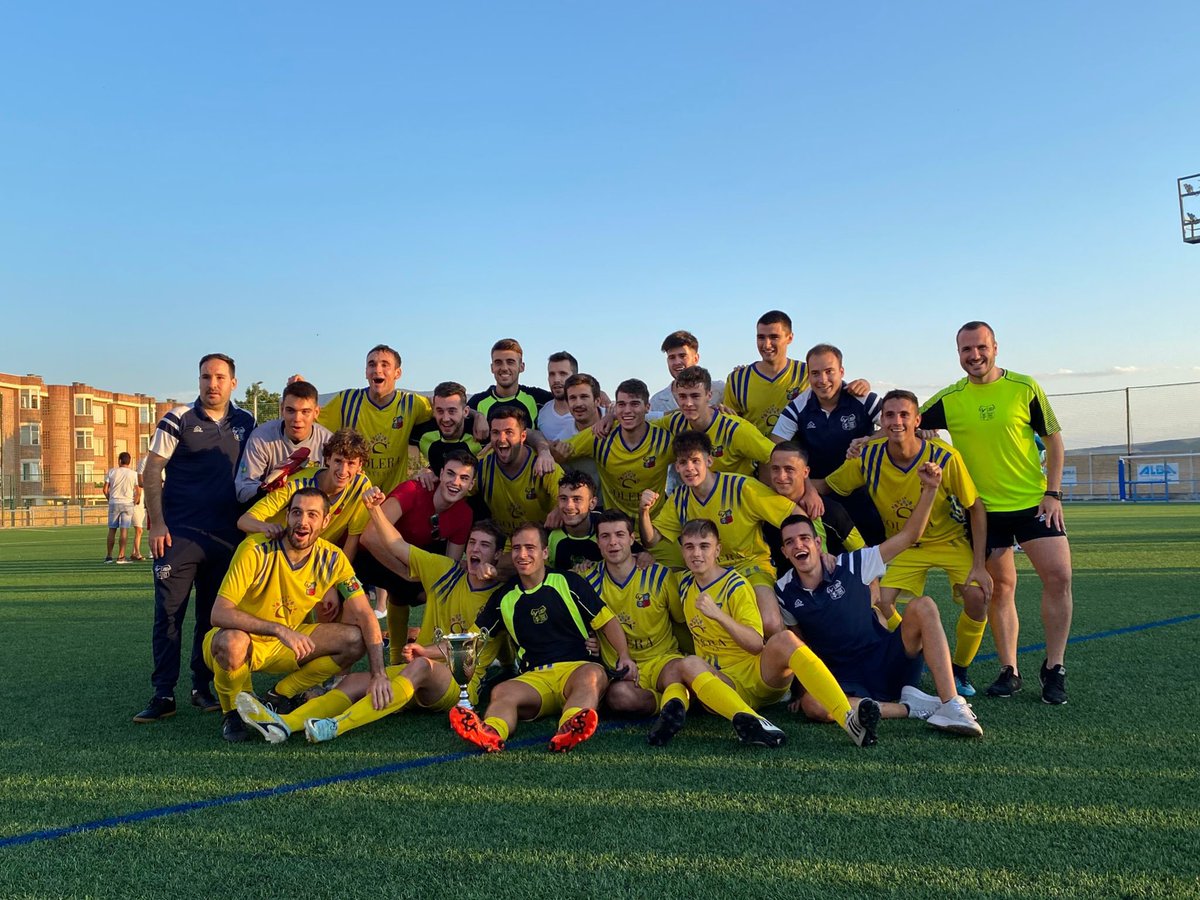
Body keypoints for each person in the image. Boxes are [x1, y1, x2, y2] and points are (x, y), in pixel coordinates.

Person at [235, 514, 507, 745]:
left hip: (453, 683)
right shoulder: (444, 570)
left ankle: (336, 726)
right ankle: (284, 724)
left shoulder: (499, 597)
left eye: (484, 546)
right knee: (354, 681)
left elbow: (465, 647)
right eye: (472, 542)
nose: (475, 550)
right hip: (414, 672)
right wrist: (375, 509)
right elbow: (395, 544)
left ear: (497, 555)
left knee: (422, 665)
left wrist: (424, 650)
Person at [920, 321, 1073, 704]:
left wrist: (1053, 492)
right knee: (1000, 589)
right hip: (984, 513)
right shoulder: (950, 398)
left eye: (980, 347)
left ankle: (1054, 668)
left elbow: (1054, 440)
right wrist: (915, 432)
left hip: (1033, 503)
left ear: (995, 347)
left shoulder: (1024, 387)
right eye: (966, 350)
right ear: (958, 354)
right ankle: (1010, 670)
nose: (974, 355)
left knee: (1058, 578)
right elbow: (904, 421)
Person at [776, 462, 983, 737]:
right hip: (843, 677)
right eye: (790, 542)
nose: (798, 545)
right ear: (784, 551)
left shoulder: (853, 563)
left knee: (923, 605)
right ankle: (911, 708)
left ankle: (951, 703)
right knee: (814, 706)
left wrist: (930, 489)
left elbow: (909, 536)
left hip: (886, 658)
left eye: (804, 538)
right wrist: (802, 690)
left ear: (817, 544)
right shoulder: (783, 590)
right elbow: (798, 643)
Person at [817, 390, 992, 697]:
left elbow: (975, 507)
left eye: (903, 415)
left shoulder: (944, 456)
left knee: (977, 597)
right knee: (880, 602)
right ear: (881, 421)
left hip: (948, 539)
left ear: (917, 420)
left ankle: (960, 669)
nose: (896, 422)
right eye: (889, 415)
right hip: (905, 545)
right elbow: (830, 484)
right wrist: (795, 485)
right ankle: (919, 647)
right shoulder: (868, 457)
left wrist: (979, 565)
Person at [660, 519, 880, 748]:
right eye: (689, 547)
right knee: (688, 663)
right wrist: (641, 557)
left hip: (759, 676)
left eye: (704, 546)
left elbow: (756, 644)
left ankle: (848, 718)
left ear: (718, 549)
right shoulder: (683, 584)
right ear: (682, 551)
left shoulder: (736, 585)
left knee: (785, 639)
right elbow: (655, 556)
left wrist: (718, 615)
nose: (696, 553)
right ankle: (756, 724)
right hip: (724, 685)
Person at [204, 487, 388, 741]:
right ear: (287, 517)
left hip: (283, 647)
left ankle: (279, 695)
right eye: (296, 513)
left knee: (355, 640)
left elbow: (366, 615)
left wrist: (379, 674)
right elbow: (218, 613)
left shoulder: (333, 558)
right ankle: (233, 711)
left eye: (312, 515)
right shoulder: (255, 549)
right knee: (231, 641)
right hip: (240, 640)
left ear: (326, 521)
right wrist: (279, 629)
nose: (302, 522)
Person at [134, 353, 256, 724]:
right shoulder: (177, 418)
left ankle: (202, 687)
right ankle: (163, 693)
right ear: (199, 380)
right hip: (179, 536)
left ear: (234, 383)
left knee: (213, 618)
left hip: (226, 538)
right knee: (169, 616)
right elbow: (152, 468)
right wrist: (157, 524)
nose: (212, 383)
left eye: (220, 377)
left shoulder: (247, 422)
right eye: (206, 376)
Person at [448, 522, 637, 753]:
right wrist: (424, 651)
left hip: (576, 669)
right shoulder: (504, 597)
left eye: (530, 547)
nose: (522, 554)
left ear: (545, 552)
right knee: (502, 691)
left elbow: (607, 621)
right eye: (517, 548)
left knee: (592, 675)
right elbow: (471, 639)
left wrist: (624, 656)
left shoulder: (568, 582)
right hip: (535, 678)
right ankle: (490, 732)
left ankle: (569, 728)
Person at [639, 431, 804, 635]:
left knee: (769, 623)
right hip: (706, 573)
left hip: (750, 566)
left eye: (695, 460)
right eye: (683, 462)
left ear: (709, 460)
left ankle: (789, 662)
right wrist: (644, 511)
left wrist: (815, 548)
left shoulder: (741, 487)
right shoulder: (679, 498)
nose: (689, 468)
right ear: (677, 467)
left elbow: (793, 513)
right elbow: (652, 540)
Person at [357, 448, 478, 663]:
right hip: (370, 558)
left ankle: (429, 651)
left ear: (471, 485)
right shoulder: (412, 489)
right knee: (396, 588)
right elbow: (369, 537)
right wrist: (405, 573)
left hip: (410, 559)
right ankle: (387, 658)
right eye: (450, 474)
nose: (455, 482)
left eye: (464, 478)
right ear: (439, 474)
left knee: (428, 590)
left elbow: (447, 569)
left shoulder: (465, 513)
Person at [772, 343, 884, 543]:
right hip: (821, 498)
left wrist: (869, 440)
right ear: (808, 376)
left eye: (829, 371)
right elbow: (776, 450)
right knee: (829, 563)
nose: (822, 380)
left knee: (873, 560)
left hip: (866, 495)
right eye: (815, 373)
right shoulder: (798, 407)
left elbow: (900, 427)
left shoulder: (863, 398)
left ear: (841, 372)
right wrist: (806, 487)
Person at [236, 429, 373, 563]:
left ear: (360, 466)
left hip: (310, 560)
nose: (343, 471)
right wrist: (267, 527)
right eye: (338, 461)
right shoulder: (297, 483)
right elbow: (244, 521)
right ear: (328, 459)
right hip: (267, 553)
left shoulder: (361, 487)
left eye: (351, 463)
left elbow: (353, 538)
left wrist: (339, 579)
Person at [551, 378, 675, 521]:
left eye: (634, 404)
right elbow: (556, 453)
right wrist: (556, 506)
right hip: (614, 528)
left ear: (648, 407)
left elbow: (689, 418)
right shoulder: (600, 434)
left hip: (657, 526)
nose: (627, 410)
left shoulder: (663, 439)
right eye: (621, 404)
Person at [318, 344, 432, 494]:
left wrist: (474, 417)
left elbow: (447, 415)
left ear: (397, 373)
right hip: (353, 496)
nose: (377, 370)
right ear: (366, 372)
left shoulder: (412, 404)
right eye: (372, 364)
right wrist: (299, 391)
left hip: (393, 498)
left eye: (385, 365)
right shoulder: (347, 401)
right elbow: (308, 416)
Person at [763, 442, 864, 574]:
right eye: (775, 469)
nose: (781, 476)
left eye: (789, 469)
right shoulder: (760, 506)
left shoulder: (829, 511)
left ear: (805, 472)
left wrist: (873, 586)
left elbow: (862, 552)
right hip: (781, 588)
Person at [659, 366, 776, 477]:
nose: (688, 403)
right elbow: (644, 422)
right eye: (683, 396)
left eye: (695, 396)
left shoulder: (736, 429)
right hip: (699, 495)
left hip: (737, 495)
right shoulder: (676, 421)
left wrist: (766, 487)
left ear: (709, 395)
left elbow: (776, 456)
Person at [234, 380, 331, 503]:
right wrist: (267, 487)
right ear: (282, 409)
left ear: (316, 412)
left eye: (305, 412)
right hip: (270, 513)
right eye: (291, 410)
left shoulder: (328, 442)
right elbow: (243, 490)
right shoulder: (261, 437)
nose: (297, 418)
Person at [475, 404, 562, 538]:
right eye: (496, 432)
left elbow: (574, 497)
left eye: (509, 432)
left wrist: (560, 509)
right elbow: (454, 488)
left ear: (522, 437)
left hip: (541, 542)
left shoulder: (543, 465)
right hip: (503, 542)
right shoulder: (482, 465)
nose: (501, 439)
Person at [723, 310, 808, 436]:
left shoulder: (807, 373)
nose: (767, 345)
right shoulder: (737, 380)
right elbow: (731, 428)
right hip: (754, 455)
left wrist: (849, 388)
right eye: (761, 337)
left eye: (774, 337)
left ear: (789, 338)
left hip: (798, 454)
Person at [468, 338, 554, 427]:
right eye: (498, 362)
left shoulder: (538, 399)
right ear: (492, 367)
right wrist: (476, 414)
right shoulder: (477, 403)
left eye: (510, 362)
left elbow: (566, 400)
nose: (504, 368)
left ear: (521, 367)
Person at [409, 381, 484, 477]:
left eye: (452, 411)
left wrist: (479, 415)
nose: (445, 418)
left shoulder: (479, 433)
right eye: (440, 411)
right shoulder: (422, 432)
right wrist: (422, 471)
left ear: (465, 412)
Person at [649, 330, 725, 414]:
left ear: (696, 358)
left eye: (682, 356)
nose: (677, 362)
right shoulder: (657, 402)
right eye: (672, 357)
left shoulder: (719, 390)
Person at [547, 470, 604, 570]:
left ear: (592, 503)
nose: (569, 506)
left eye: (577, 499)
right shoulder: (550, 534)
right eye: (563, 498)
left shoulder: (607, 527)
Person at [103, 452, 140, 564]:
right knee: (124, 530)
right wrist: (134, 502)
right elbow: (138, 492)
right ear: (129, 461)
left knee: (112, 530)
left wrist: (110, 499)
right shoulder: (133, 474)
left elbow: (105, 489)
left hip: (114, 502)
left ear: (119, 460)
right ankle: (121, 556)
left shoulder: (112, 472)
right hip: (127, 503)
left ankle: (109, 556)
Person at [538, 351, 580, 441]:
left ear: (575, 377)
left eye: (563, 374)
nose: (556, 379)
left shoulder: (591, 410)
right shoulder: (542, 413)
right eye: (552, 374)